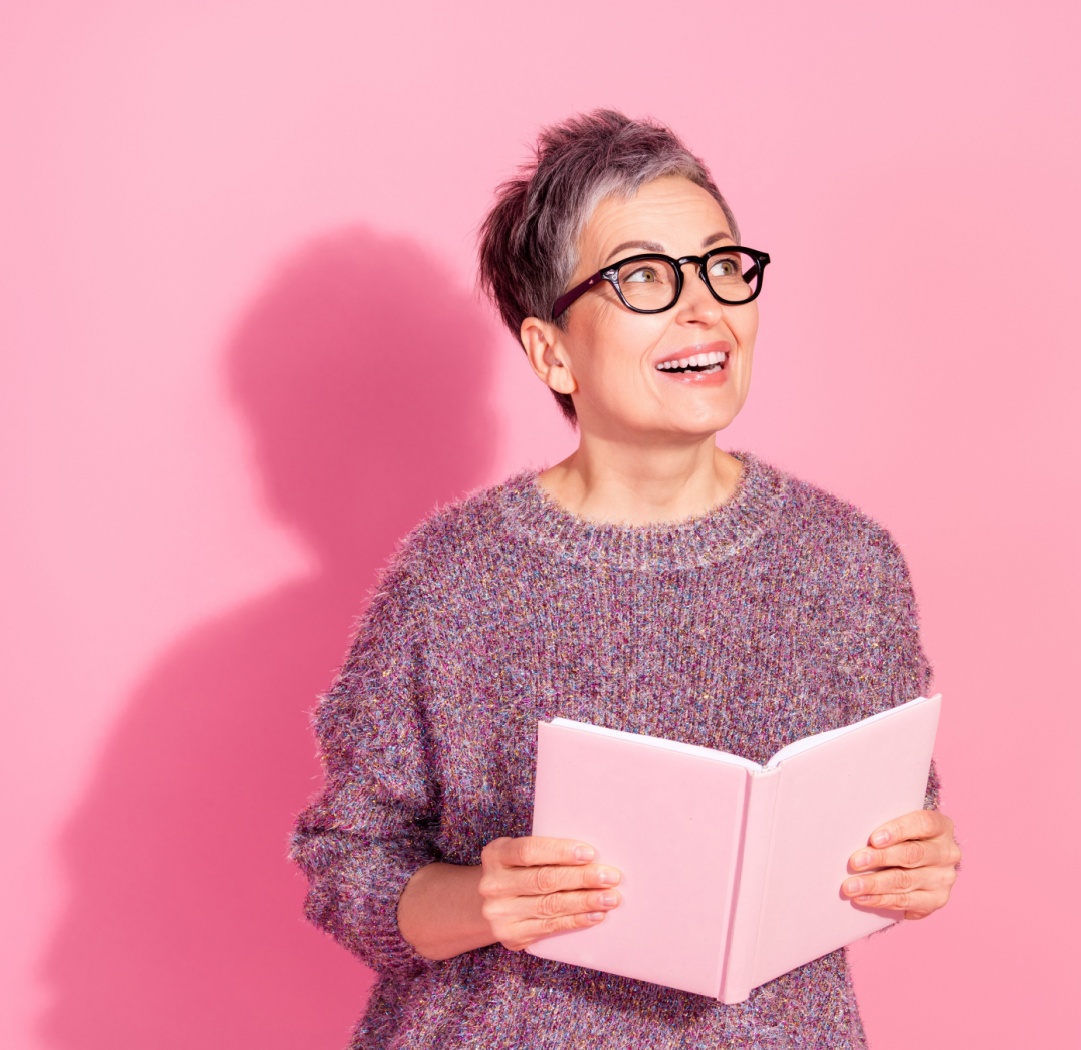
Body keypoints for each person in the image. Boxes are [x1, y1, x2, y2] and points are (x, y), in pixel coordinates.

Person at [291, 109, 960, 1048]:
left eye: (723, 267)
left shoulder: (847, 564)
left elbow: (894, 829)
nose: (706, 308)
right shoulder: (454, 577)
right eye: (645, 277)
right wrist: (486, 900)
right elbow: (349, 864)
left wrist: (913, 866)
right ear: (550, 350)